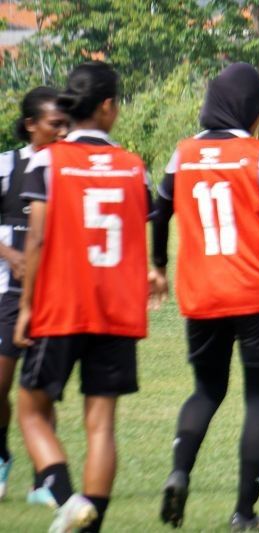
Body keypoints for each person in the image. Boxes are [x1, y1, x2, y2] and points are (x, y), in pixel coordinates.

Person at [150, 63, 259, 531]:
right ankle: (244, 513)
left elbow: (159, 214)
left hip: (202, 297)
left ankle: (180, 472)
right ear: (253, 110)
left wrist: (158, 267)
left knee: (205, 391)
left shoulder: (181, 154)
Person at [13, 61, 159, 532]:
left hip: (61, 307)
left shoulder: (46, 159)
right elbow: (140, 231)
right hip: (116, 309)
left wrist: (28, 307)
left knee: (31, 410)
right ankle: (89, 524)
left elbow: (35, 240)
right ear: (109, 107)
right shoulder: (134, 168)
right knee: (101, 425)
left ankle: (65, 498)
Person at [0, 86, 68, 507]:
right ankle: (3, 454)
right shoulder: (9, 166)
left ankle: (44, 481)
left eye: (67, 124)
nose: (63, 132)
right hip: (9, 293)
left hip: (52, 295)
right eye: (54, 124)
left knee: (40, 390)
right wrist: (11, 253)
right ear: (31, 125)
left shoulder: (67, 168)